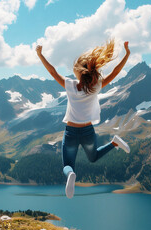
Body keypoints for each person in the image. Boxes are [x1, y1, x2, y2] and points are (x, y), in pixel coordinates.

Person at [36, 39, 131, 198]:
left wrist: (40, 55)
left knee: (67, 165)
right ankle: (115, 142)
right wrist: (127, 54)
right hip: (88, 131)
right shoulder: (95, 87)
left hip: (71, 131)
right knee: (93, 157)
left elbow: (53, 72)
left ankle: (71, 174)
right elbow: (115, 72)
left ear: (79, 71)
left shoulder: (70, 85)